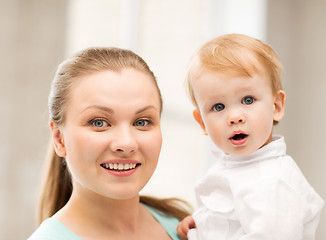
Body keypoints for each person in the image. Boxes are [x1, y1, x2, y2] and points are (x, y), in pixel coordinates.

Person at [28, 47, 190, 240]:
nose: (126, 143)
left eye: (142, 122)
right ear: (59, 138)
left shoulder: (184, 226)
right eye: (99, 123)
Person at [177, 34, 324, 239]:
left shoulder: (273, 181)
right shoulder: (234, 166)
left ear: (277, 106)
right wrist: (201, 224)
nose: (235, 117)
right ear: (202, 122)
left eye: (248, 100)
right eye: (218, 106)